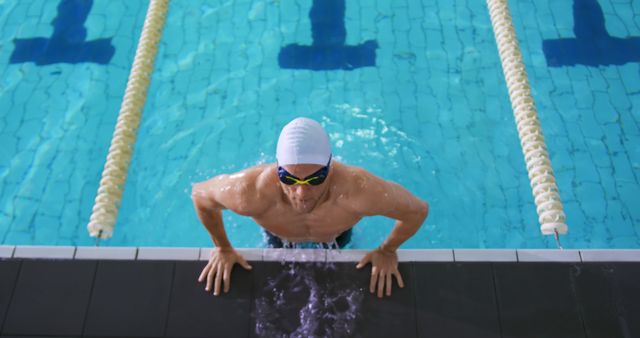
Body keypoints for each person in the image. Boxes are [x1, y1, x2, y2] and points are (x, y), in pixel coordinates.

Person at [192, 117, 429, 298]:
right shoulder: (249, 192)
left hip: (337, 236)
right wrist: (222, 248)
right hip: (278, 236)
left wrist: (387, 250)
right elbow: (200, 195)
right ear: (277, 169)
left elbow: (417, 210)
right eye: (289, 179)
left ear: (330, 167)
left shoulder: (359, 191)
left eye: (315, 179)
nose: (302, 193)